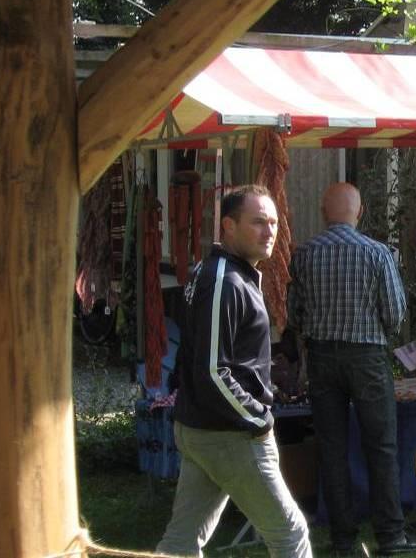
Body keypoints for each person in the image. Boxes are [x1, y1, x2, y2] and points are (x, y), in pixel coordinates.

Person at [156, 185, 311, 558]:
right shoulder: (223, 280)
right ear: (228, 225)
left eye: (273, 223)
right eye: (258, 222)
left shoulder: (228, 274)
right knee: (291, 534)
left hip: (205, 429)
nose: (269, 231)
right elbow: (212, 370)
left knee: (181, 543)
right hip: (229, 434)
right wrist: (258, 420)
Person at [287, 183, 416, 556]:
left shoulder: (305, 255)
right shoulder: (378, 253)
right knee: (381, 446)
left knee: (331, 447)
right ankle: (390, 535)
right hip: (367, 357)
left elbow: (295, 311)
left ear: (322, 211)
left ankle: (342, 538)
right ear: (359, 213)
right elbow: (394, 313)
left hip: (322, 357)